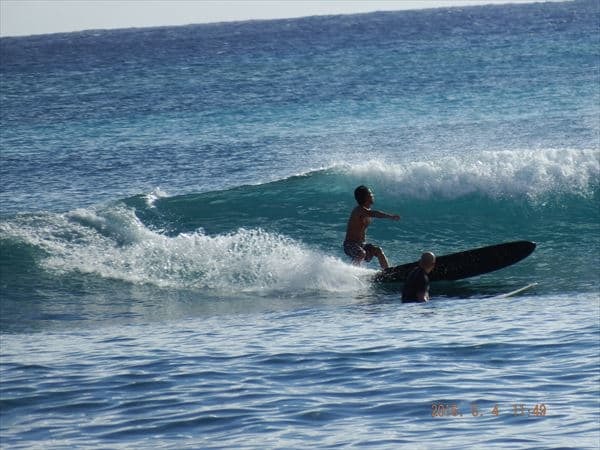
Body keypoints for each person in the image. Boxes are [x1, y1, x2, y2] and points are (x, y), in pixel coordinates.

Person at [343, 185, 400, 269]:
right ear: (365, 197)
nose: (373, 195)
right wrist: (390, 216)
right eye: (370, 194)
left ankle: (387, 271)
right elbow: (374, 213)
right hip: (350, 245)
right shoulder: (358, 210)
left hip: (361, 245)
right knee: (361, 253)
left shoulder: (366, 211)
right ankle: (352, 272)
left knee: (378, 250)